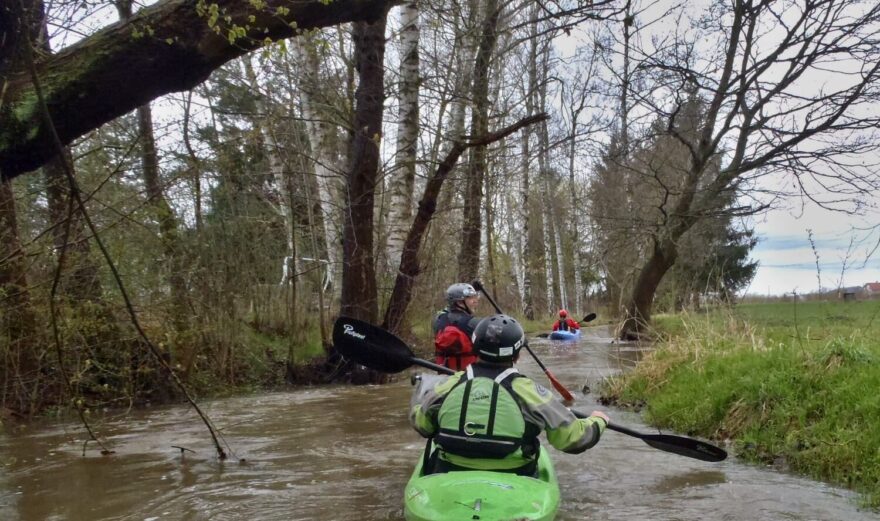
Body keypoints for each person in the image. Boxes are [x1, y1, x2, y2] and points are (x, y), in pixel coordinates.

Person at [411, 314, 610, 475]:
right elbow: (571, 439)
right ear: (517, 355)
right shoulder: (531, 392)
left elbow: (422, 424)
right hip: (514, 473)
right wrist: (598, 421)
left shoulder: (448, 385)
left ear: (474, 348)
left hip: (451, 471)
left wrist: (422, 402)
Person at [432, 282, 481, 370]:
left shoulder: (438, 319)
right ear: (459, 302)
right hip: (468, 374)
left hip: (444, 372)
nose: (475, 301)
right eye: (470, 298)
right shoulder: (472, 322)